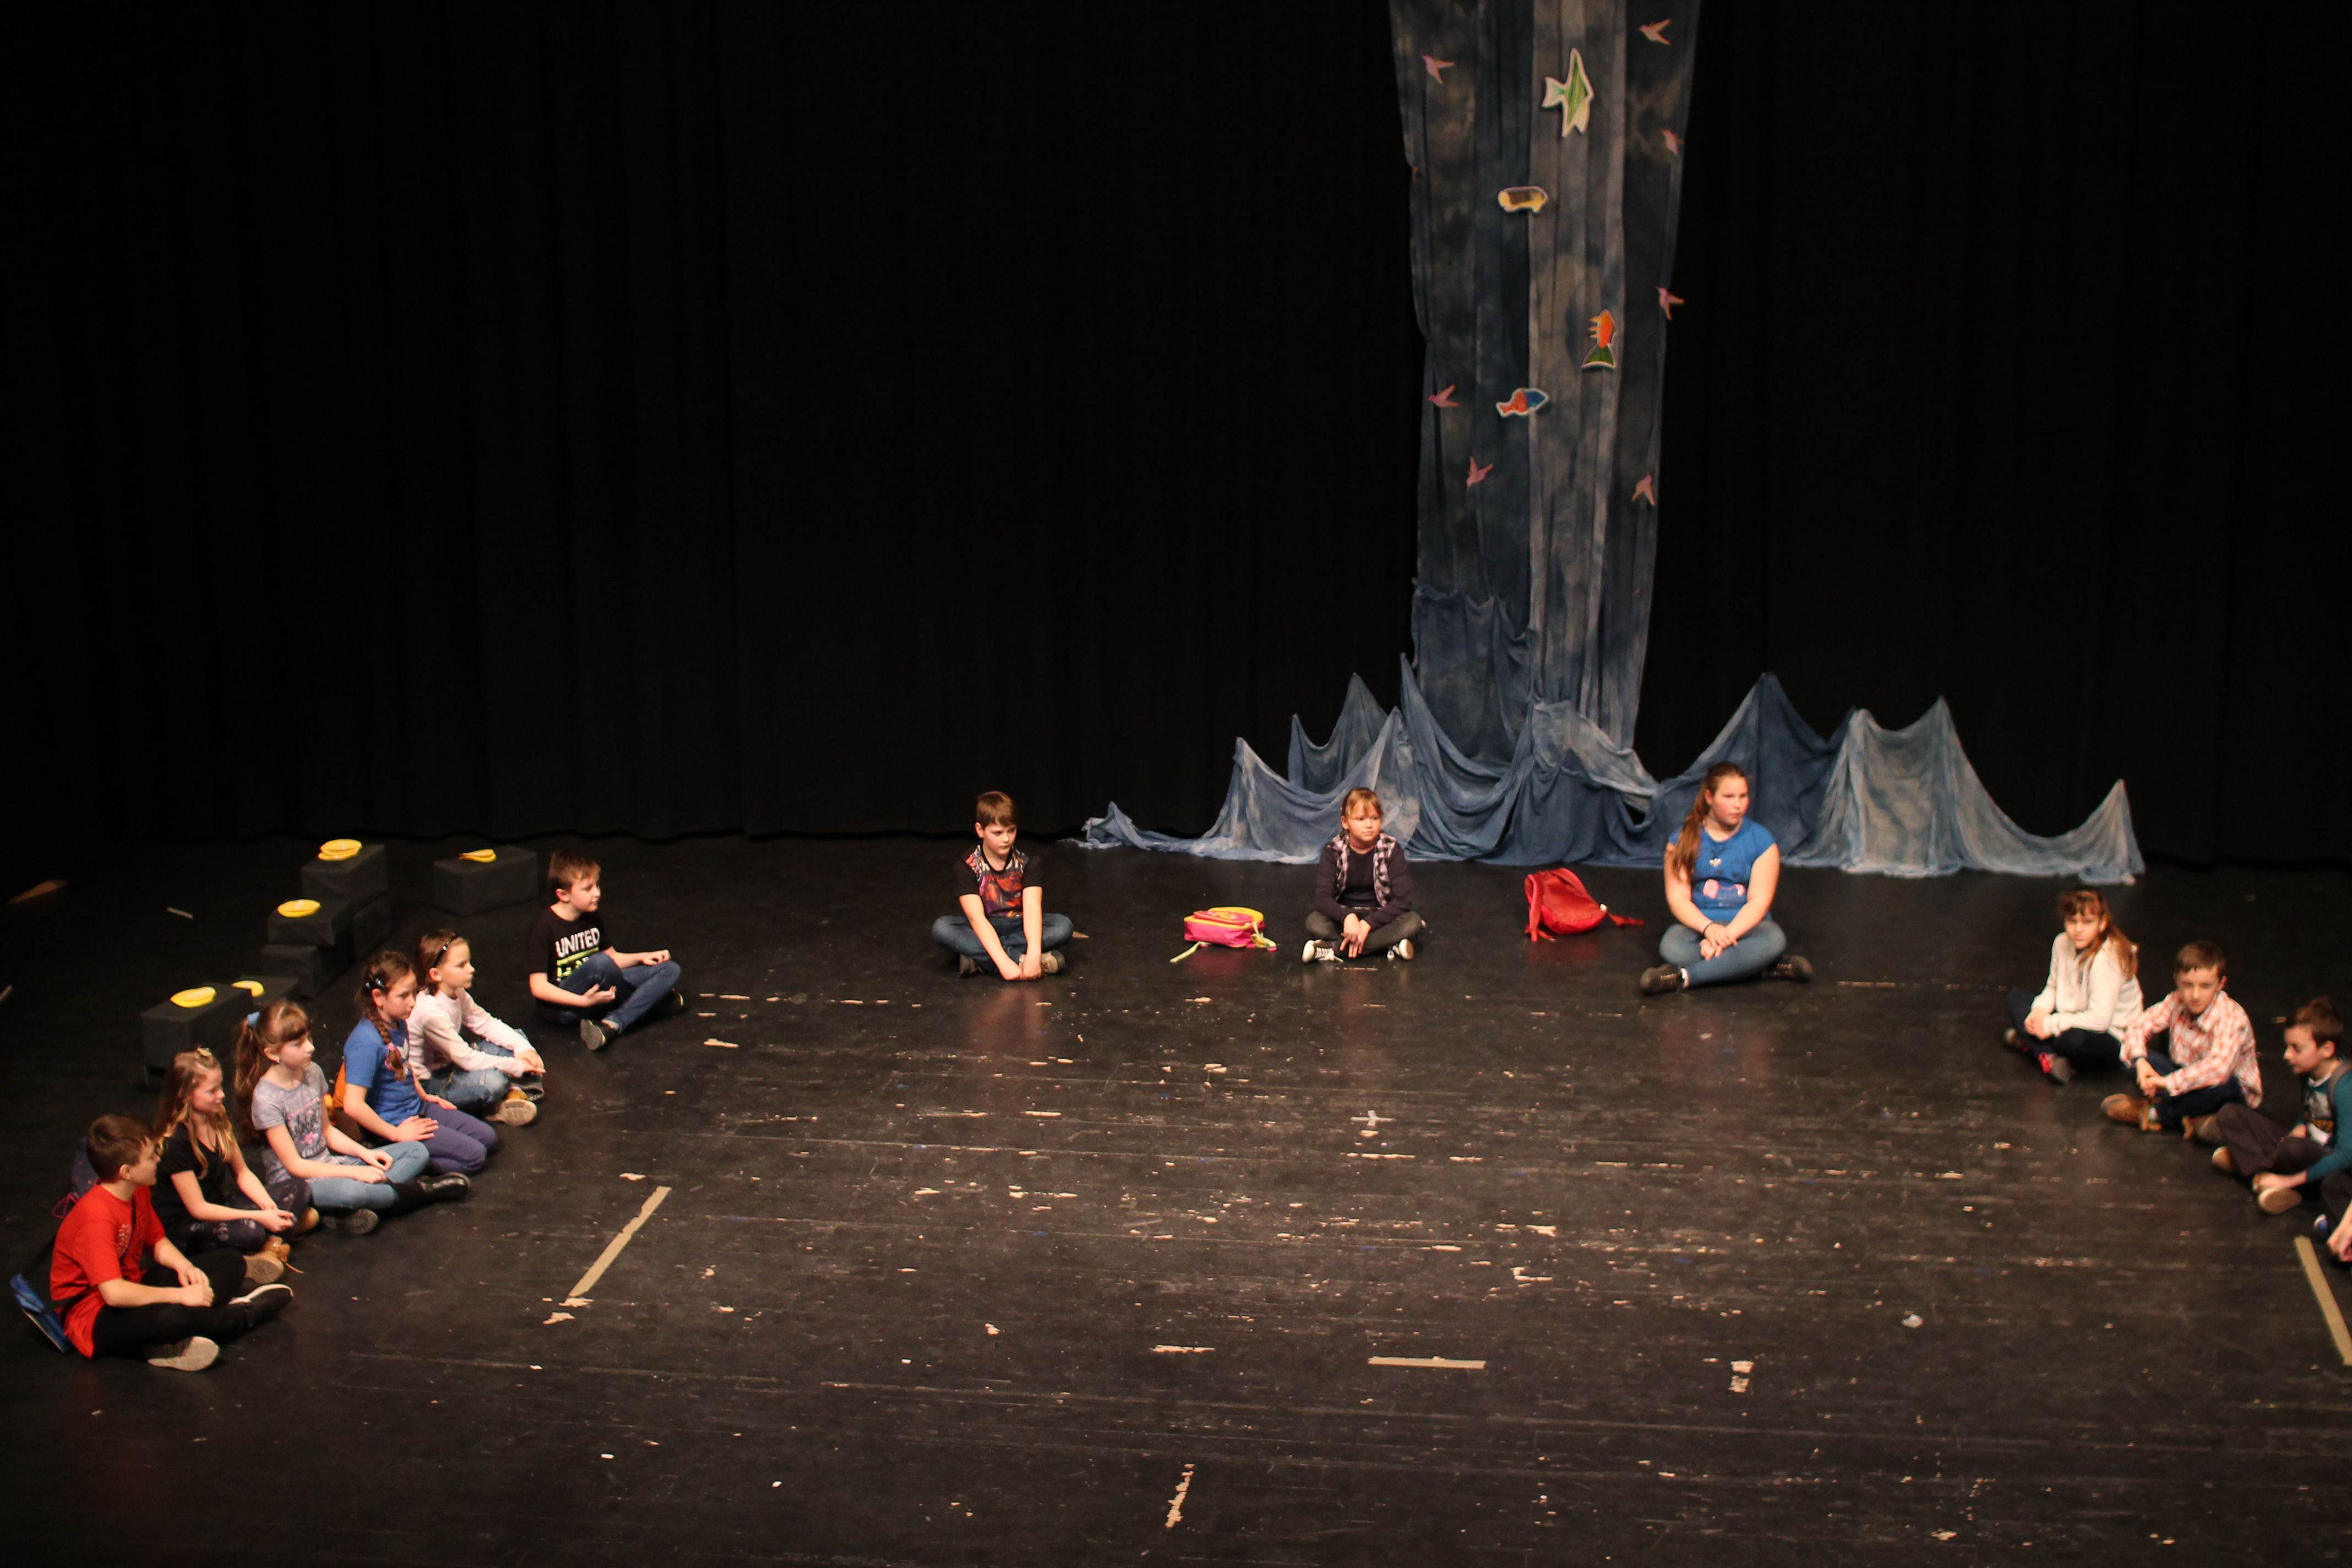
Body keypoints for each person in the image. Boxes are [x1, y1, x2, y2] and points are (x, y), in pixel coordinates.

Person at [49, 1113, 291, 1370]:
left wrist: (185, 1267)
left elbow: (156, 1241)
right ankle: (240, 1316)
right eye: (150, 1157)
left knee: (230, 1261)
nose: (158, 1159)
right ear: (127, 1172)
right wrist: (180, 1295)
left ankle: (182, 1332)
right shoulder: (95, 1218)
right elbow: (114, 1294)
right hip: (95, 1314)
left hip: (134, 1284)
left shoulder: (138, 1190)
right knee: (170, 1317)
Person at [238, 996, 464, 1234]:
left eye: (308, 1039)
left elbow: (327, 1132)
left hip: (331, 1165)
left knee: (416, 1151)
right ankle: (419, 1192)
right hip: (298, 1183)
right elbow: (295, 1166)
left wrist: (364, 1154)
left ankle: (351, 1209)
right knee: (353, 1192)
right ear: (273, 1054)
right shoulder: (266, 1098)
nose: (310, 1048)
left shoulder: (312, 1072)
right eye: (298, 1044)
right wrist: (354, 1173)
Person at [1641, 762, 1811, 996]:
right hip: (1700, 925)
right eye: (1729, 797)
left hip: (1745, 927)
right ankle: (1759, 967)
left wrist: (1726, 937)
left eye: (1743, 796)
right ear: (1709, 797)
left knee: (1773, 940)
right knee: (1672, 947)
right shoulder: (1682, 840)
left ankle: (1683, 977)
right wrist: (1710, 930)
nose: (1738, 805)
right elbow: (1678, 899)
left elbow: (1759, 902)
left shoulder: (1763, 842)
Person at [342, 952, 501, 1176]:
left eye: (414, 993)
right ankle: (399, 1157)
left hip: (418, 1108)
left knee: (489, 1139)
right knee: (475, 1157)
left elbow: (404, 1066)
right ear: (378, 997)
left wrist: (424, 1095)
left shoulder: (398, 1022)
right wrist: (396, 1135)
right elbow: (353, 1105)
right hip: (396, 1124)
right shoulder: (365, 1042)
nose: (412, 1002)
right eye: (403, 996)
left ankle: (412, 1152)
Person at [151, 1047, 298, 1283]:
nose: (221, 1095)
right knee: (250, 1231)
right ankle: (274, 1240)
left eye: (220, 1087)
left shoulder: (216, 1117)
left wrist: (268, 1207)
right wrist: (260, 1217)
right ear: (184, 1094)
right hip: (187, 1225)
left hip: (217, 1207)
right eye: (212, 1091)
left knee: (297, 1188)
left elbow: (243, 1173)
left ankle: (271, 1246)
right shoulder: (176, 1142)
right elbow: (198, 1209)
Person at [526, 850, 685, 1049]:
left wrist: (643, 957)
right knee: (600, 963)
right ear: (563, 895)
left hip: (601, 990)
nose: (597, 893)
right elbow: (538, 987)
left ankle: (611, 1024)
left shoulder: (591, 915)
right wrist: (583, 1002)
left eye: (597, 885)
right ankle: (653, 1005)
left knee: (669, 969)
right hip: (567, 1006)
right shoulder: (544, 927)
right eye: (588, 889)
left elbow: (612, 958)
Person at [2206, 997, 2350, 1214]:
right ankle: (2261, 1178)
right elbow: (2311, 1109)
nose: (2287, 1055)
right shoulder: (2309, 1071)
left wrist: (2289, 1180)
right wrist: (2300, 1126)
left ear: (2327, 1049)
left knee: (2291, 1148)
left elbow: (2346, 1155)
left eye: (2296, 1049)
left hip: (2327, 1163)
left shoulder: (2345, 1087)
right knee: (2230, 1114)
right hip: (2302, 1147)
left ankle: (2275, 1178)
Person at [2102, 940, 2260, 1136]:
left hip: (2225, 1090)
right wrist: (2141, 1062)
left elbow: (2218, 1068)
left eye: (2205, 986)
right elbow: (2137, 1026)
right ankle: (2195, 1120)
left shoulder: (2232, 1018)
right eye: (2188, 985)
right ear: (2177, 980)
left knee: (2225, 1085)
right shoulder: (2176, 1001)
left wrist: (2167, 1083)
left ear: (2221, 984)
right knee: (2134, 1058)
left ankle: (2156, 1114)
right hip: (2185, 1077)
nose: (2195, 995)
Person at [2001, 889, 2143, 1084]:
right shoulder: (2061, 943)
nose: (2078, 930)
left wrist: (2050, 1025)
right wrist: (2039, 1012)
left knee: (2072, 1042)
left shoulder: (2107, 958)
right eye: (2072, 921)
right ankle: (2047, 1055)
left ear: (2102, 923)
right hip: (2071, 1018)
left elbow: (2101, 1020)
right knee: (2016, 998)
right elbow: (2053, 986)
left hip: (2109, 1035)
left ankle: (2032, 1044)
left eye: (2088, 922)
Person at [933, 791, 1071, 979]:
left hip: (1019, 924)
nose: (1006, 839)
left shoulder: (1028, 860)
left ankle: (979, 959)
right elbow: (976, 918)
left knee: (1062, 927)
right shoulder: (967, 865)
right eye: (997, 833)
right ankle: (1018, 959)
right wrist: (1005, 962)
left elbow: (1032, 908)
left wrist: (1033, 953)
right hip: (984, 926)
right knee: (943, 928)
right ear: (980, 830)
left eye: (1011, 831)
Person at [412, 928, 543, 1127]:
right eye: (461, 965)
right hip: (433, 1082)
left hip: (455, 1065)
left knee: (517, 1038)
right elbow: (466, 1059)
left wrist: (523, 1048)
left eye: (469, 962)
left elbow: (486, 1023)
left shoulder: (457, 992)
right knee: (493, 1081)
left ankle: (512, 1094)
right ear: (436, 974)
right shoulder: (430, 1012)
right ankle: (501, 1101)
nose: (471, 969)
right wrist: (517, 1066)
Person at [1302, 787, 1422, 963]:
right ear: (1345, 823)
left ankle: (1333, 949)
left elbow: (1403, 900)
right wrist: (1347, 917)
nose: (1369, 825)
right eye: (1360, 819)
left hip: (1380, 917)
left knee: (1412, 922)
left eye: (1375, 818)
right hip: (1346, 917)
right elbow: (1322, 898)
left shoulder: (1391, 849)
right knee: (1315, 922)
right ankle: (1388, 945)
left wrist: (1368, 924)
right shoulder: (1333, 851)